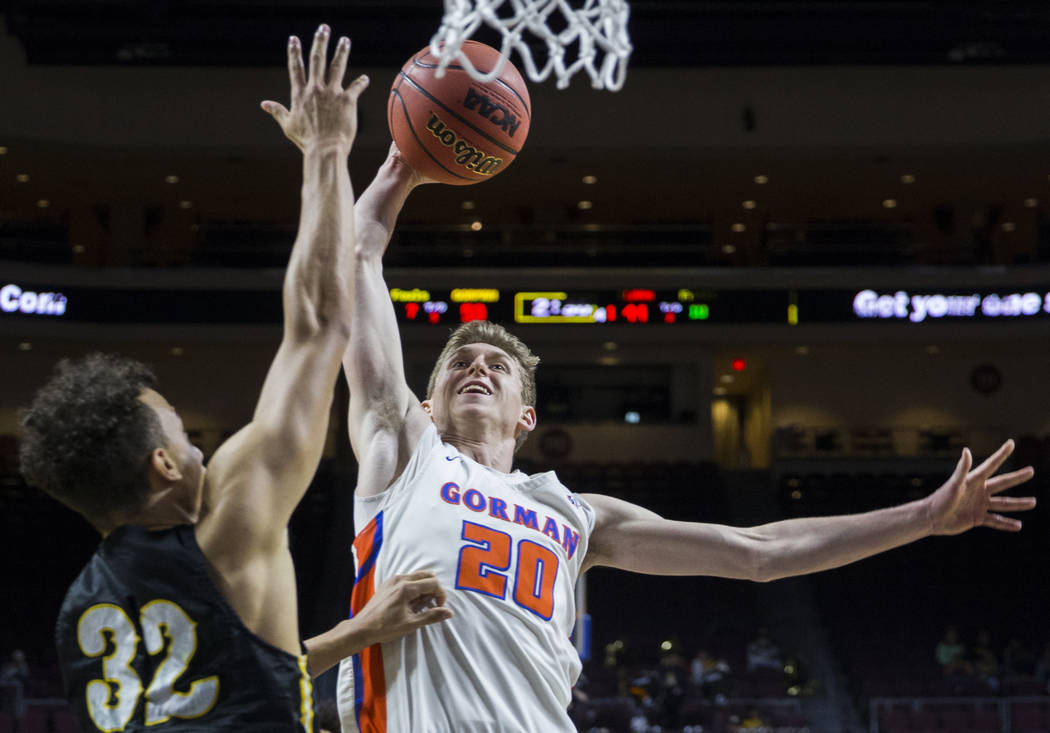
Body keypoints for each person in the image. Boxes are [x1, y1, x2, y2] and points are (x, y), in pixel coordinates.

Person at [335, 147, 1036, 732]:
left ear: (527, 417)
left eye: (498, 366)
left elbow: (760, 553)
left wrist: (924, 517)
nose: (478, 366)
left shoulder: (577, 513)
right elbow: (360, 259)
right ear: (424, 403)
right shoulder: (404, 453)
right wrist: (402, 163)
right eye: (459, 361)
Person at [19, 27, 450, 732]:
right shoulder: (229, 518)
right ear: (162, 464)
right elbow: (318, 325)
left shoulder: (83, 613)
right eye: (182, 435)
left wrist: (357, 631)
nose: (197, 447)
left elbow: (232, 669)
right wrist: (326, 150)